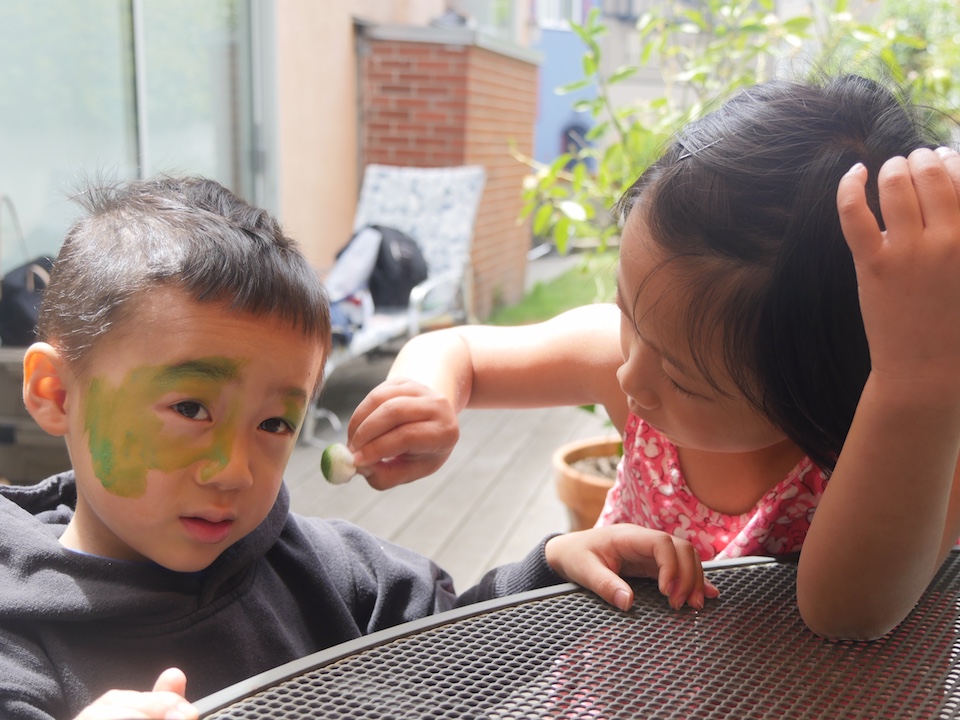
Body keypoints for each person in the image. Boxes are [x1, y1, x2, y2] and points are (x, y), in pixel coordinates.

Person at [0, 176, 716, 720]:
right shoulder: (21, 643)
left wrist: (549, 570)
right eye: (190, 407)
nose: (236, 472)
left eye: (275, 424)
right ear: (56, 393)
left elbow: (454, 655)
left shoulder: (329, 571)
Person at [343, 74, 960, 641]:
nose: (627, 374)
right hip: (628, 680)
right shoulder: (631, 364)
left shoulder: (915, 437)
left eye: (684, 379)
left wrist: (913, 383)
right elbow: (459, 349)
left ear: (820, 381)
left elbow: (848, 614)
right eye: (626, 313)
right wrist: (426, 394)